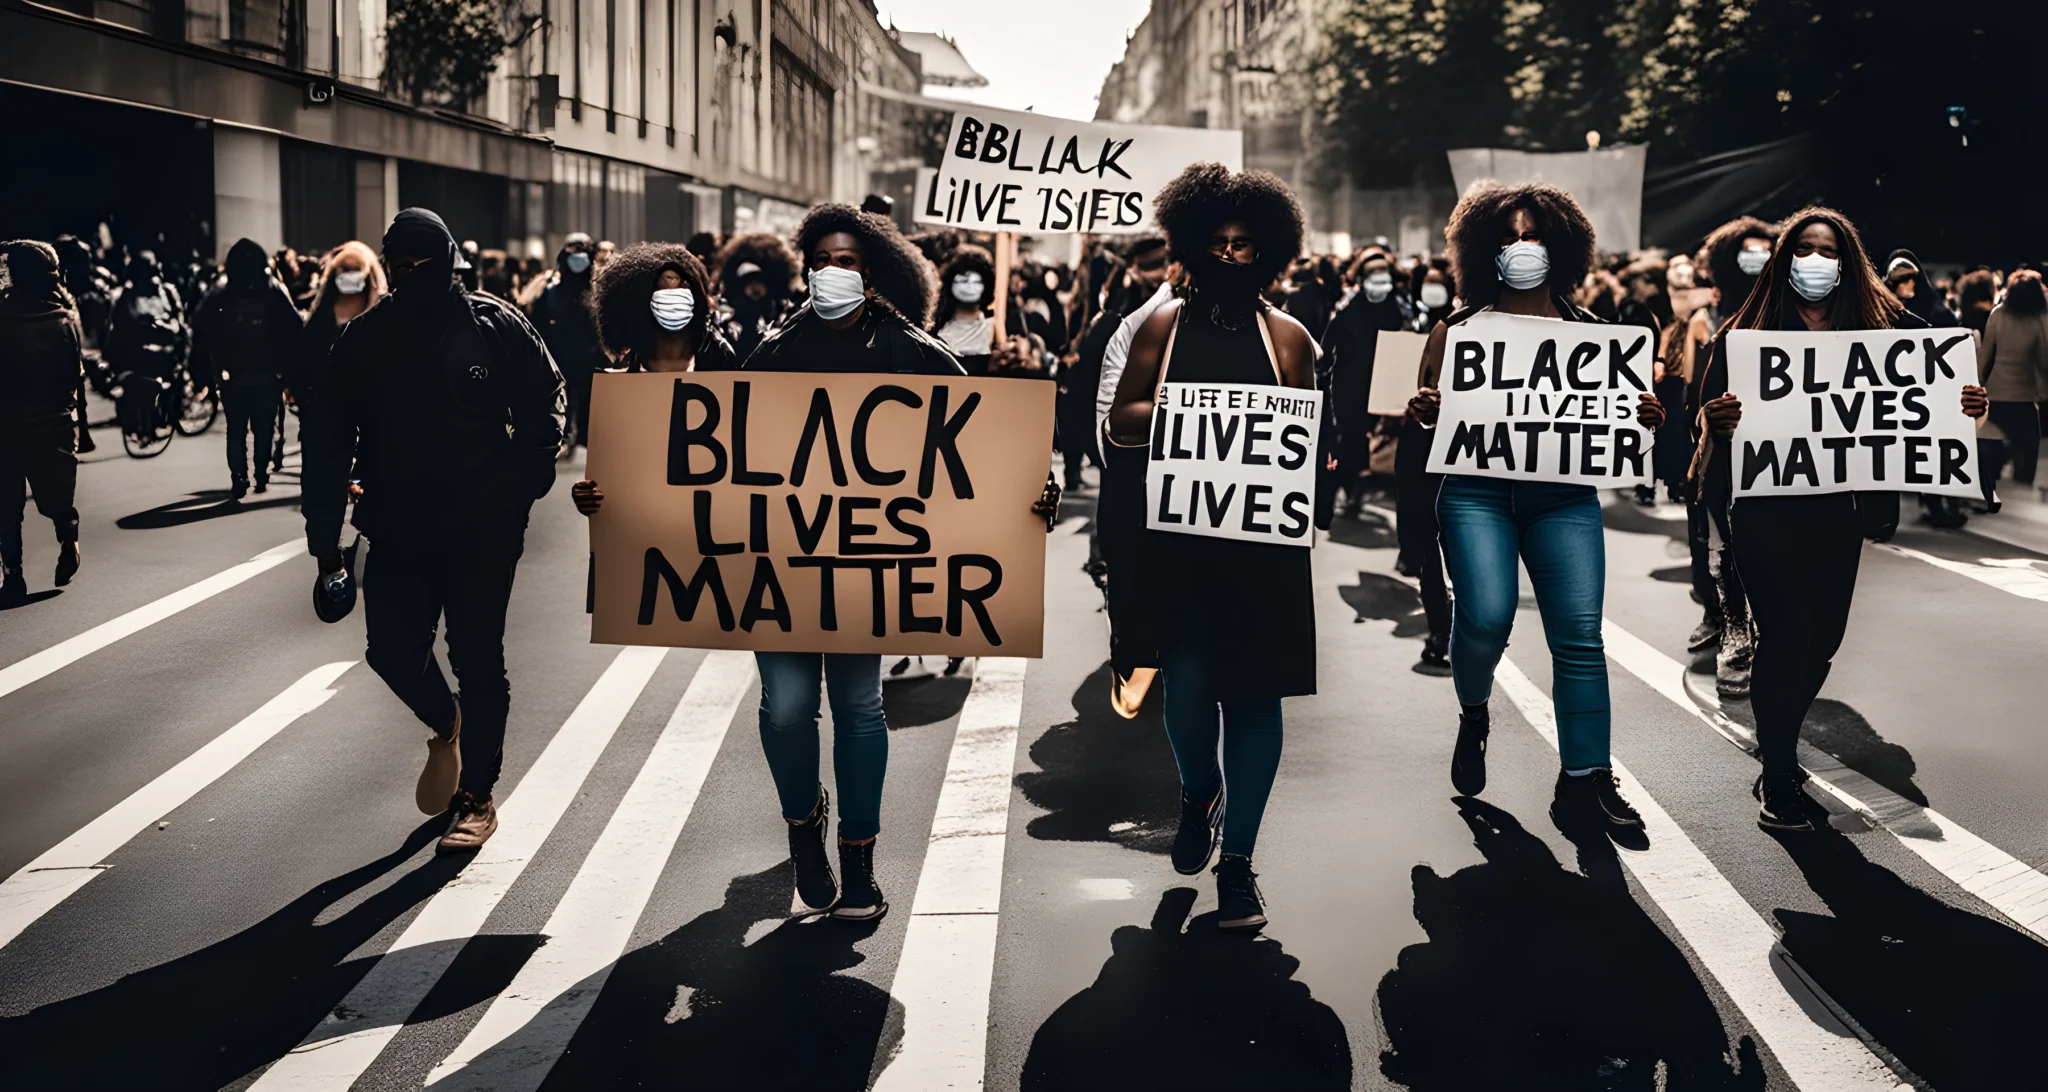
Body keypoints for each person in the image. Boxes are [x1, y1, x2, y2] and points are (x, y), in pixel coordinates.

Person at [621, 203, 1053, 923]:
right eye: (822, 258)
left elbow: (984, 438)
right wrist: (614, 490)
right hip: (781, 569)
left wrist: (1033, 485)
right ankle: (804, 831)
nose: (834, 271)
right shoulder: (776, 350)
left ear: (872, 271)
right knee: (787, 711)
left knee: (857, 707)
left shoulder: (912, 349)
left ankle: (860, 861)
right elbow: (699, 454)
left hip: (866, 571)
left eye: (848, 260)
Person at [1692, 208, 1987, 832]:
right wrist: (1716, 424)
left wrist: (1966, 405)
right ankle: (1776, 774)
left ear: (1848, 264)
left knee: (1822, 643)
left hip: (1835, 512)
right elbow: (1706, 428)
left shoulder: (1882, 334)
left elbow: (1935, 386)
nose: (1817, 261)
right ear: (1785, 259)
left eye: (1829, 250)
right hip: (1766, 510)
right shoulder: (1745, 337)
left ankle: (1777, 742)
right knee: (1789, 635)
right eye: (1805, 249)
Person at [299, 208, 566, 853]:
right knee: (389, 651)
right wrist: (326, 546)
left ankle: (477, 797)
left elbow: (546, 403)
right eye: (402, 263)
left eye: (426, 261)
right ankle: (445, 721)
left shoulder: (496, 323)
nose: (414, 273)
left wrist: (519, 489)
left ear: (449, 259)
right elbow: (327, 443)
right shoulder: (364, 339)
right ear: (389, 267)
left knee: (478, 657)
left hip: (483, 526)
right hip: (397, 524)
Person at [1408, 182, 1667, 837]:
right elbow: (1424, 420)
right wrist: (1427, 413)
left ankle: (1588, 778)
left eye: (1534, 236)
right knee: (1485, 618)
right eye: (1508, 238)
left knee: (1580, 640)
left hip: (1564, 497)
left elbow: (1619, 422)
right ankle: (1474, 710)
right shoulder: (1457, 332)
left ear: (1561, 247)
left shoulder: (1595, 338)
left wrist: (1646, 417)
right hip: (1475, 493)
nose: (1522, 248)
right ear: (1483, 251)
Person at [1107, 164, 1320, 932]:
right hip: (1178, 549)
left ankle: (1240, 864)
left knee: (1256, 702)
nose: (1232, 255)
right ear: (1193, 247)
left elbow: (1309, 438)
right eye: (1218, 243)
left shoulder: (1290, 337)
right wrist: (1181, 408)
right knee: (1189, 693)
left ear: (1270, 252)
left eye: (1246, 244)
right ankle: (1200, 790)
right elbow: (1118, 423)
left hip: (1260, 551)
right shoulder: (1160, 329)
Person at [1683, 216, 1775, 698]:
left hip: (1786, 461)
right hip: (1728, 457)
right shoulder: (1714, 319)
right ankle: (1733, 631)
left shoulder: (1793, 312)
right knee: (1726, 548)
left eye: (1765, 250)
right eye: (1747, 251)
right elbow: (1697, 394)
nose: (1755, 259)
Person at [0, 240, 85, 605]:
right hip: (52, 423)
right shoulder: (64, 318)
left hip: (7, 425)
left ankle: (13, 576)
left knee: (6, 506)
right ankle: (68, 539)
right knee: (56, 499)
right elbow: (73, 376)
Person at [190, 239, 303, 498]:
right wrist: (290, 372)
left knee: (236, 429)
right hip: (268, 374)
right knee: (264, 427)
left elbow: (201, 334)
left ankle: (238, 477)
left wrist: (203, 376)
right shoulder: (273, 290)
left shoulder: (220, 293)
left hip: (233, 375)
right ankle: (260, 472)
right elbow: (295, 329)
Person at [1976, 269, 2048, 502]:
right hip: (2024, 402)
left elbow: (1985, 358)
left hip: (1994, 399)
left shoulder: (1997, 314)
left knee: (1991, 462)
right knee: (2025, 466)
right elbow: (2044, 361)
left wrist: (1978, 388)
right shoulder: (2039, 319)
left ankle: (1991, 505)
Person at [537, 233, 602, 449]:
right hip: (560, 351)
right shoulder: (552, 292)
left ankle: (584, 437)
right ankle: (562, 437)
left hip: (589, 353)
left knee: (588, 399)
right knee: (562, 398)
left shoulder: (596, 291)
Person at [713, 233, 800, 362]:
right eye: (749, 279)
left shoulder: (785, 324)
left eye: (761, 279)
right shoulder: (725, 327)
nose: (755, 287)